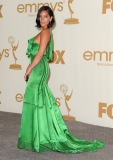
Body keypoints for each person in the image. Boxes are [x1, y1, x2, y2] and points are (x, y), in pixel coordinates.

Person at [17, 6, 104, 153]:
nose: (42, 19)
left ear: (51, 18)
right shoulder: (43, 32)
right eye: (40, 16)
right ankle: (38, 137)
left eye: (45, 16)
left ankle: (40, 137)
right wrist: (31, 67)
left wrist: (29, 68)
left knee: (35, 100)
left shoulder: (45, 32)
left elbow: (40, 53)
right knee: (38, 102)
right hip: (37, 68)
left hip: (38, 69)